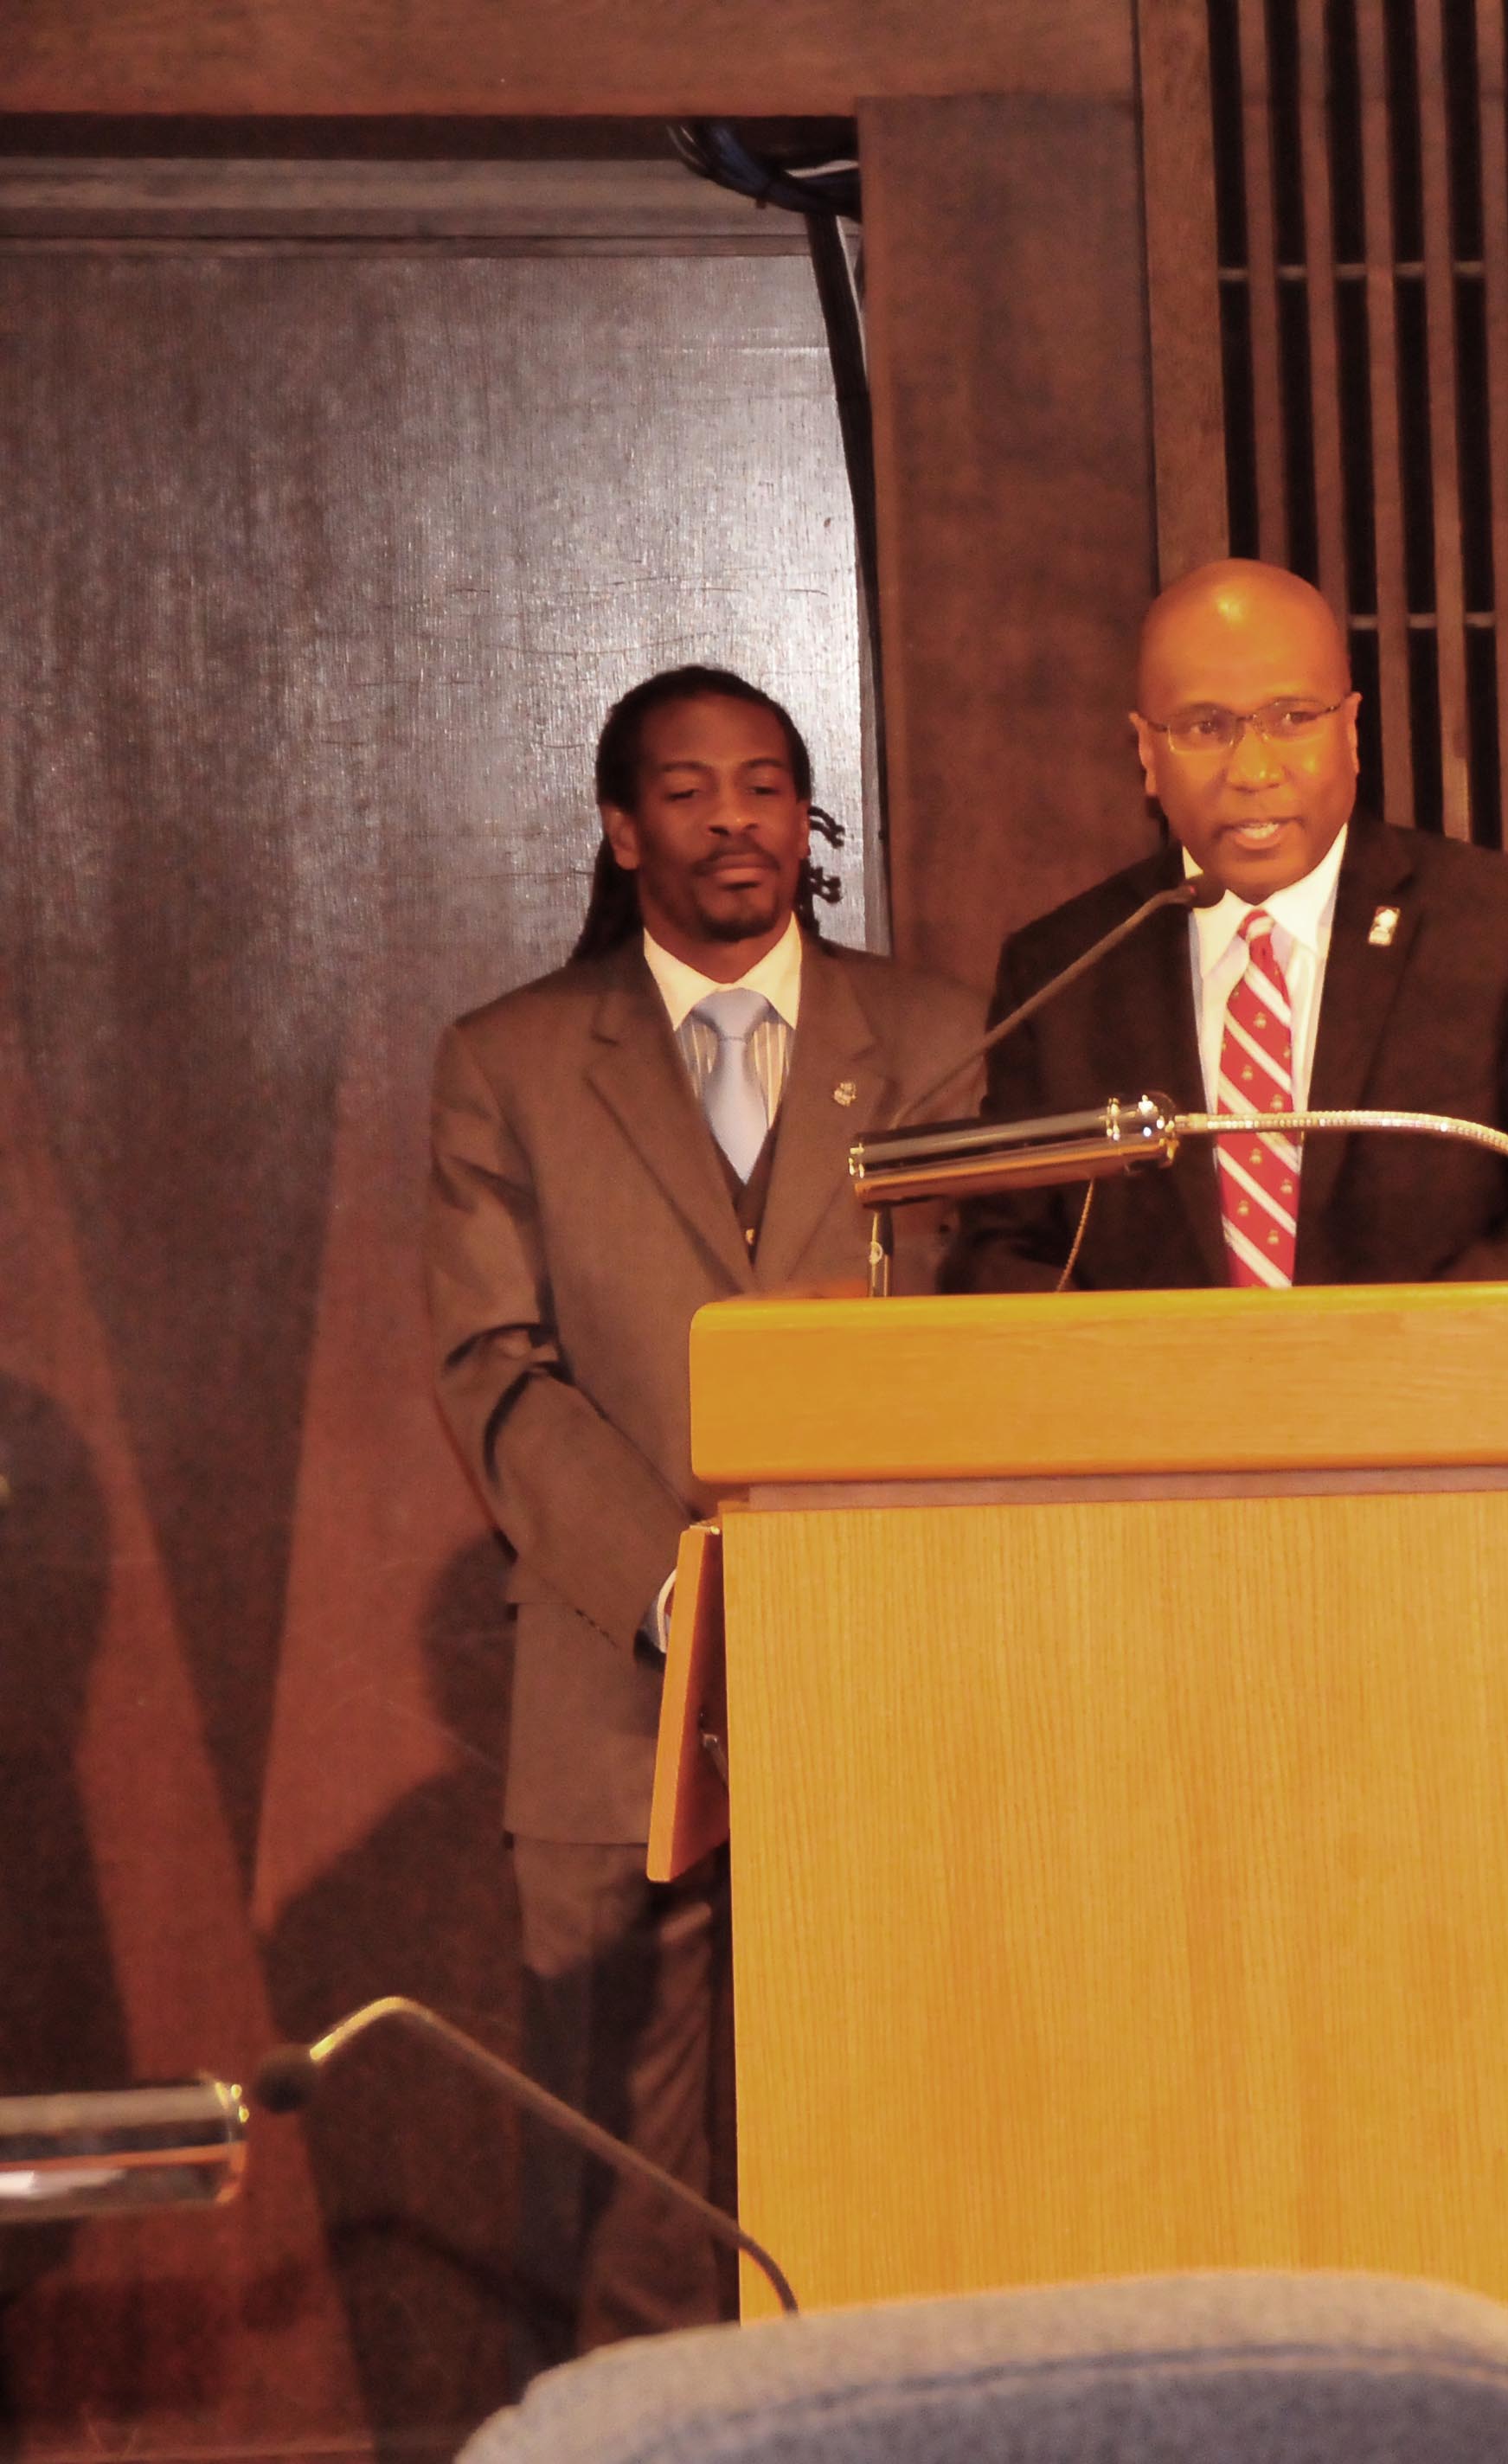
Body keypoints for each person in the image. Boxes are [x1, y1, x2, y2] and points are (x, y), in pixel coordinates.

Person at [425, 667, 982, 2364]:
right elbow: (493, 1367)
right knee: (630, 2215)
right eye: (688, 787)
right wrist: (685, 1589)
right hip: (617, 1690)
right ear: (620, 825)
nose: (734, 817)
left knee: (910, 2148)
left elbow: (995, 1329)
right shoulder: (509, 1060)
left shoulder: (948, 1034)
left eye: (767, 785)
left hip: (897, 1680)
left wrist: (838, 1575)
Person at [941, 557, 1508, 1292]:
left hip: (1439, 1395)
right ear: (1146, 752)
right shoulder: (1065, 974)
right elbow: (999, 1257)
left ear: (1351, 731)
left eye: (1292, 719)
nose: (1253, 769)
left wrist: (1367, 1366)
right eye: (1205, 726)